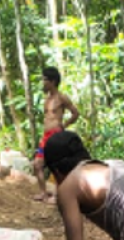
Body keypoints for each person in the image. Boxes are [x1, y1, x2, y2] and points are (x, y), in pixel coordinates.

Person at [32, 67, 80, 203]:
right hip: (46, 136)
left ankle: (60, 195)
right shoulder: (47, 99)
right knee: (37, 164)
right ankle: (43, 193)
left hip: (56, 136)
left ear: (52, 82)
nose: (43, 83)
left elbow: (75, 113)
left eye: (45, 80)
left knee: (58, 167)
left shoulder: (62, 97)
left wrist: (63, 125)